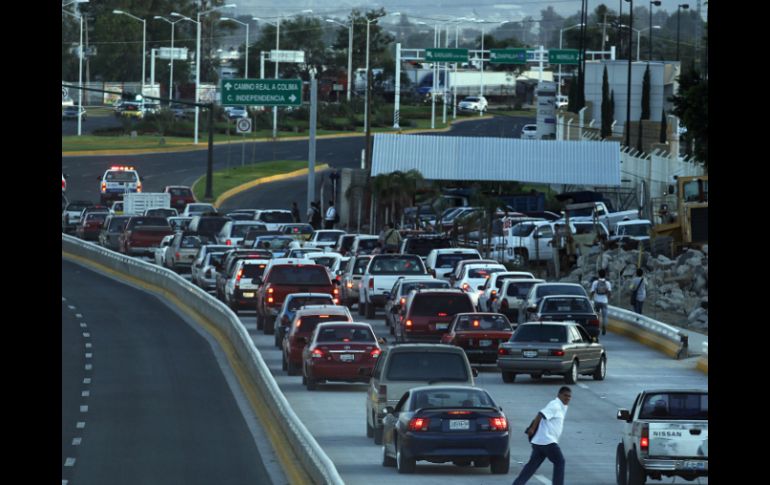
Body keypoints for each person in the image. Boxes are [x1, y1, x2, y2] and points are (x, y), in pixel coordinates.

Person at [513, 387, 572, 485]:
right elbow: (540, 414)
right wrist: (532, 429)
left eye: (569, 396)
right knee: (560, 462)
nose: (568, 398)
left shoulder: (562, 406)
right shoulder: (555, 405)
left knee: (531, 467)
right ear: (559, 395)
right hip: (547, 441)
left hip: (539, 442)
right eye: (565, 395)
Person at [590, 269, 612, 336]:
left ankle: (597, 327)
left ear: (598, 275)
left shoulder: (595, 283)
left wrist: (590, 298)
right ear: (605, 275)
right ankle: (604, 328)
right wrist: (608, 298)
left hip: (596, 301)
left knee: (597, 315)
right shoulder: (607, 283)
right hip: (604, 301)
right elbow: (609, 292)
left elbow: (592, 292)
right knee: (604, 316)